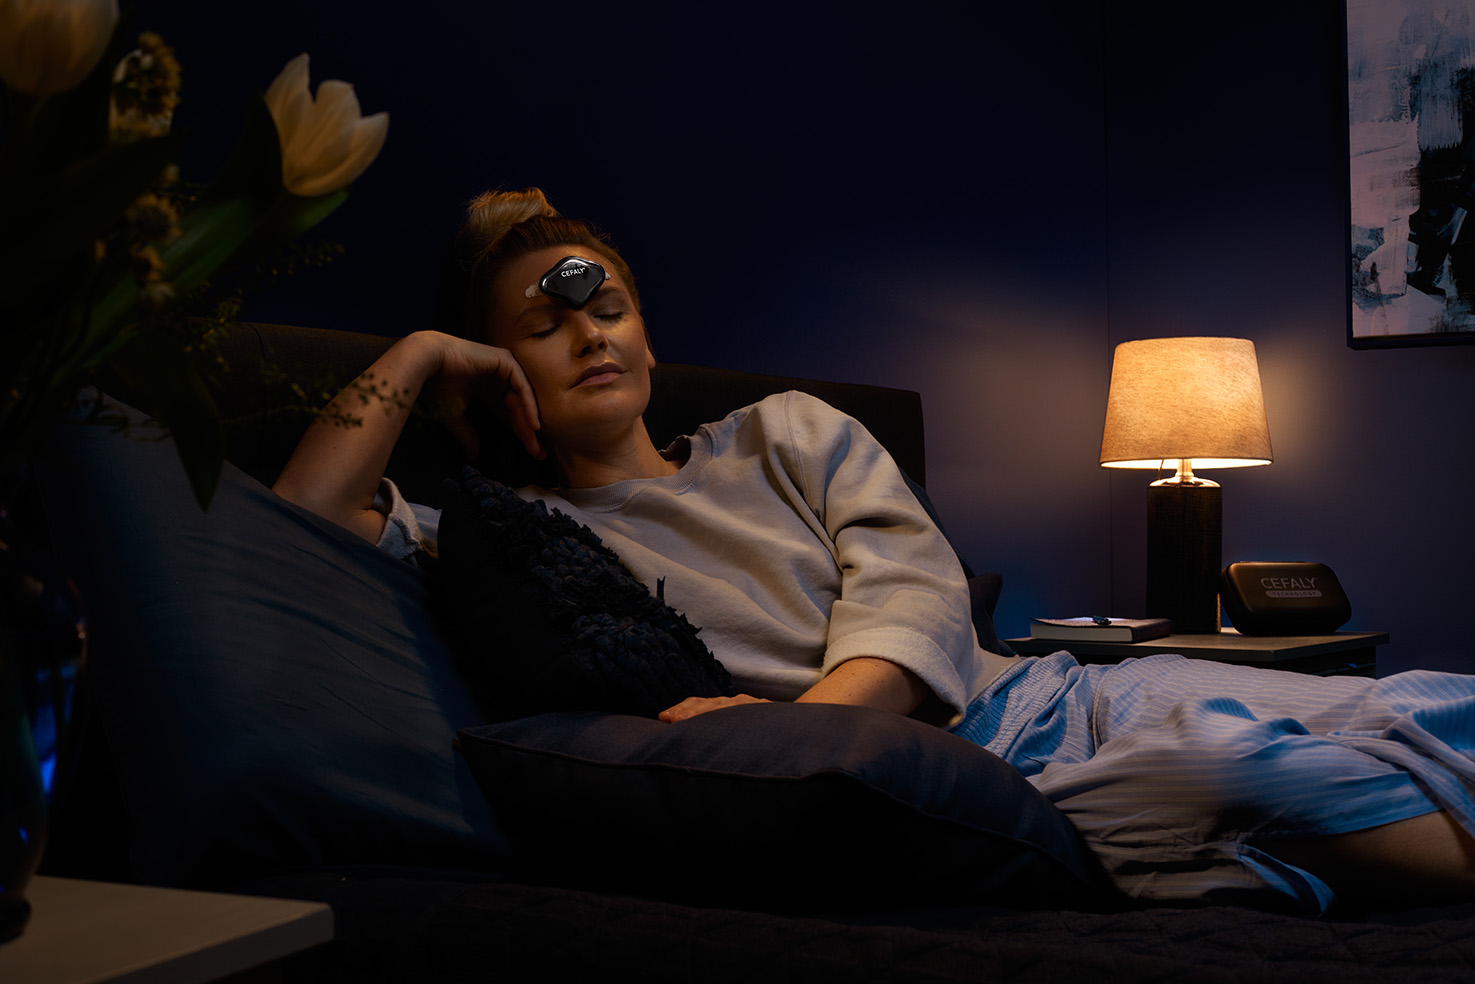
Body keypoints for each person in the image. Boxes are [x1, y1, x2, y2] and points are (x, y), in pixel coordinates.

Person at [273, 188, 1475, 914]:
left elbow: (910, 577)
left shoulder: (785, 433)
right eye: (542, 323)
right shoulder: (506, 545)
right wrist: (420, 356)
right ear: (497, 373)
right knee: (1233, 772)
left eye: (608, 306)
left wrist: (829, 720)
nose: (589, 333)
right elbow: (299, 525)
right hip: (985, 777)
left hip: (1053, 694)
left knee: (1407, 700)